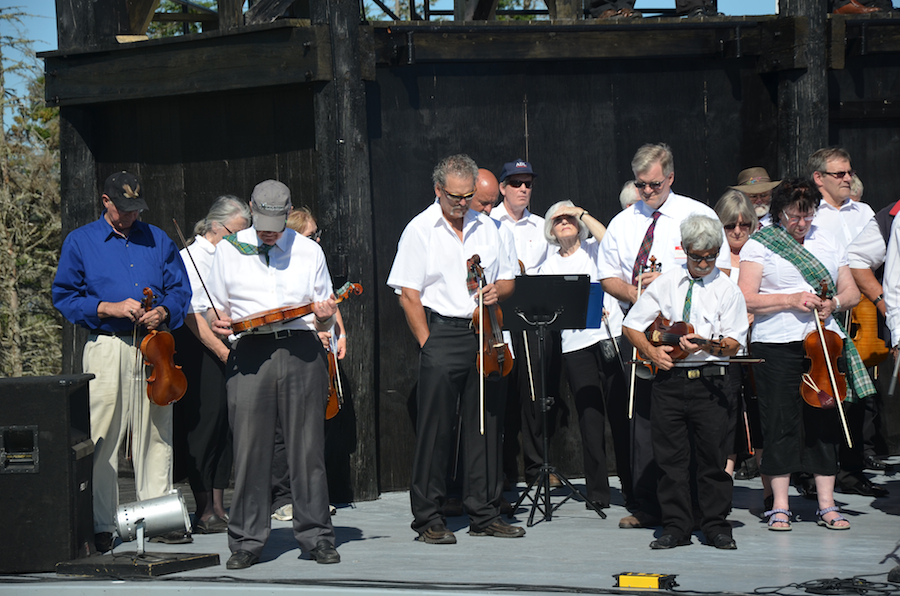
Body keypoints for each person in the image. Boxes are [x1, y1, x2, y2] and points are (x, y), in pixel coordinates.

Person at [387, 154, 524, 544]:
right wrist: (428, 343)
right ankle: (428, 518)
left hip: (485, 330)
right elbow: (408, 294)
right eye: (454, 197)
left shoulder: (492, 228)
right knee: (436, 429)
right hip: (443, 331)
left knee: (486, 425)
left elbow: (508, 280)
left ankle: (485, 512)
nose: (462, 203)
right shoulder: (420, 229)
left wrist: (498, 290)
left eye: (468, 196)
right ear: (438, 190)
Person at [52, 171, 191, 553]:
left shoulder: (158, 239)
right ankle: (101, 523)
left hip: (153, 345)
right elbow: (64, 296)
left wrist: (164, 310)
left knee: (156, 432)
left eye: (136, 209)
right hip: (108, 345)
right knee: (102, 436)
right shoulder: (80, 241)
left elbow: (180, 290)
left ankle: (158, 518)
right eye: (124, 209)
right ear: (106, 201)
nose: (131, 216)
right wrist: (107, 307)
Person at [204, 180, 340, 569]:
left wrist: (326, 316)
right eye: (262, 223)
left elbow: (324, 314)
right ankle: (246, 540)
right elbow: (214, 309)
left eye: (276, 225)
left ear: (288, 214)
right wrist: (218, 321)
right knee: (250, 449)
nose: (268, 231)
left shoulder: (309, 251)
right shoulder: (228, 250)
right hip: (250, 351)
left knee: (307, 448)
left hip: (301, 349)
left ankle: (317, 535)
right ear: (251, 209)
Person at [598, 142, 731, 530]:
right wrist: (636, 293)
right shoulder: (623, 222)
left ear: (670, 177)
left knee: (694, 424)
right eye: (640, 185)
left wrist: (672, 283)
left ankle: (698, 508)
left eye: (654, 184)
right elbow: (607, 277)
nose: (646, 192)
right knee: (643, 421)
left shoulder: (697, 214)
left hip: (688, 336)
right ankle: (650, 505)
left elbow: (721, 271)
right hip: (644, 333)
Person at [738, 177, 875, 532]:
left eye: (808, 215)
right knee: (779, 421)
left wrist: (834, 303)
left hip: (823, 342)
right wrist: (790, 299)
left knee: (823, 421)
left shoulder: (827, 240)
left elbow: (851, 292)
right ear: (779, 212)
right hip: (775, 343)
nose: (801, 223)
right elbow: (746, 297)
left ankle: (827, 504)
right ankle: (780, 505)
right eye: (794, 216)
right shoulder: (760, 243)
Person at [624, 214, 748, 550]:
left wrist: (708, 345)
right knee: (671, 460)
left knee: (713, 459)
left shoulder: (727, 289)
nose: (704, 263)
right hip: (670, 381)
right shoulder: (666, 282)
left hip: (711, 383)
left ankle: (716, 526)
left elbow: (733, 343)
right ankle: (676, 526)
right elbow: (632, 325)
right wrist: (652, 352)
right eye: (697, 257)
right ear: (685, 250)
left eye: (711, 256)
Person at [540, 200, 635, 513]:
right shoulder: (549, 266)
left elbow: (609, 238)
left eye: (570, 218)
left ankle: (633, 485)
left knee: (621, 415)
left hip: (610, 336)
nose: (565, 222)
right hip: (576, 346)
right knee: (589, 419)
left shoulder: (595, 249)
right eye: (558, 220)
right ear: (551, 229)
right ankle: (597, 491)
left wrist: (581, 212)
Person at [175, 195, 251, 534]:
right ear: (216, 227)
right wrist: (222, 353)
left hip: (230, 348)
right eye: (236, 232)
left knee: (225, 427)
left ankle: (220, 505)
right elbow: (192, 316)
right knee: (205, 426)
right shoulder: (190, 258)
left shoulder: (230, 255)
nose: (241, 239)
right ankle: (204, 507)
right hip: (201, 351)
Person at [807, 147, 880, 498]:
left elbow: (875, 257)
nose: (848, 178)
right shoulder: (810, 213)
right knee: (820, 391)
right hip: (822, 307)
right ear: (819, 178)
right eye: (840, 174)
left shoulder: (864, 212)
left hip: (859, 307)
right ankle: (813, 472)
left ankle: (852, 470)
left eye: (849, 172)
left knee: (858, 394)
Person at [270, 207, 346, 521]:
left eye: (317, 235)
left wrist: (338, 332)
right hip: (288, 348)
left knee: (310, 429)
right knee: (281, 429)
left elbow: (328, 300)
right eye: (311, 235)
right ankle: (283, 498)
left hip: (314, 351)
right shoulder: (278, 264)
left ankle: (311, 497)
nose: (317, 240)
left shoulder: (315, 259)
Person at [490, 159, 557, 490]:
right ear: (502, 188)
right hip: (499, 315)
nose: (523, 189)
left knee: (534, 394)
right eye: (516, 183)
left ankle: (537, 467)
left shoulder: (542, 226)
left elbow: (552, 268)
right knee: (500, 392)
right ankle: (502, 471)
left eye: (528, 183)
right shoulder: (488, 223)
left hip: (532, 316)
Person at [714, 190, 762, 480]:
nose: (737, 231)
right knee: (728, 411)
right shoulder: (714, 257)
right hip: (727, 345)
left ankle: (768, 475)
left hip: (758, 342)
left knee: (761, 410)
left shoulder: (760, 252)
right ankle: (726, 475)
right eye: (730, 225)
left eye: (745, 225)